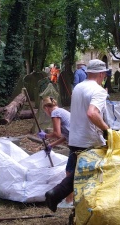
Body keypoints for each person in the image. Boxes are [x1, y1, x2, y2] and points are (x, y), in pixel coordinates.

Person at [44, 59, 110, 212]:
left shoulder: (78, 88)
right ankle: (86, 208)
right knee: (93, 173)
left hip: (75, 138)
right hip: (90, 140)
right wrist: (107, 130)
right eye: (105, 74)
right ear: (101, 74)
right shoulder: (98, 90)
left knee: (76, 173)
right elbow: (92, 113)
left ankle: (56, 195)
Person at [37, 96, 72, 206]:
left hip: (76, 145)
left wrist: (46, 135)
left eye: (44, 111)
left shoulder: (55, 113)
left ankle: (69, 201)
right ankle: (71, 199)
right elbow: (65, 136)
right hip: (77, 142)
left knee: (70, 173)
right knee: (71, 172)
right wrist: (51, 145)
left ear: (46, 108)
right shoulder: (62, 111)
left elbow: (57, 133)